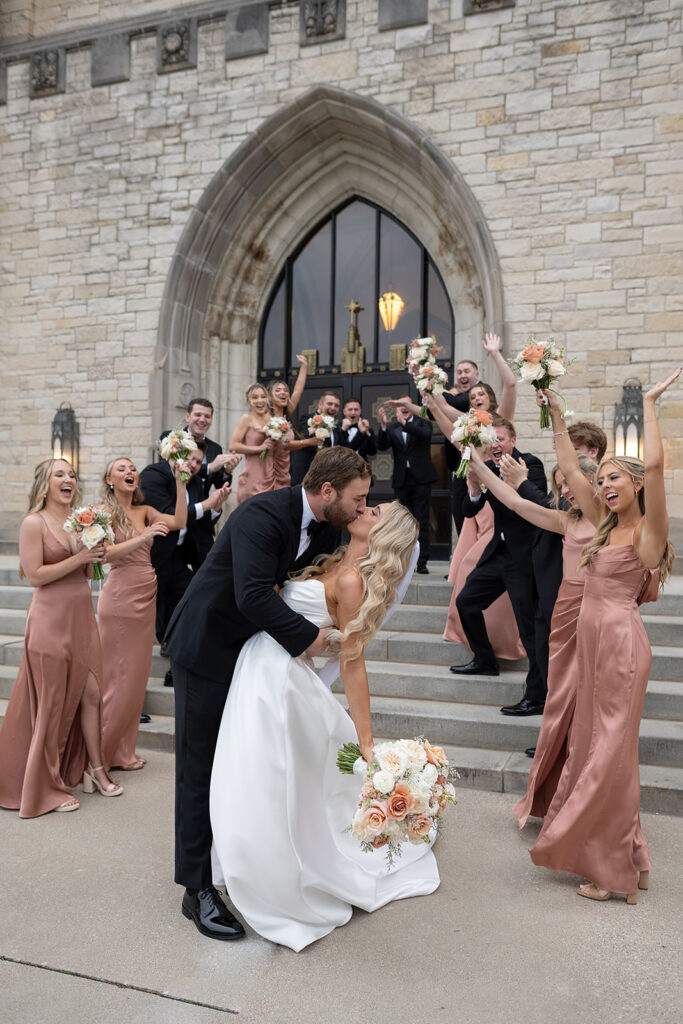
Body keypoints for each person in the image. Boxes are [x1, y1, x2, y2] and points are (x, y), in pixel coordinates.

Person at [209, 500, 439, 951]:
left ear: (383, 534)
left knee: (261, 780)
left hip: (279, 683)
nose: (363, 509)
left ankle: (266, 872)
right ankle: (247, 861)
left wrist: (366, 740)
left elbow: (352, 662)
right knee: (251, 779)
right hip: (258, 667)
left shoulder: (352, 581)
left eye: (374, 511)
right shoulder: (334, 561)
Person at [165, 447, 372, 941]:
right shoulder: (262, 513)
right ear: (327, 492)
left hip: (252, 657)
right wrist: (310, 638)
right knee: (198, 769)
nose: (362, 509)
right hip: (207, 647)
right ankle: (196, 891)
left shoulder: (327, 525)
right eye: (358, 499)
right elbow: (252, 593)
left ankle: (244, 863)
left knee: (238, 771)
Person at [528, 372, 678, 904]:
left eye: (617, 479)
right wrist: (553, 408)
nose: (605, 486)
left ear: (636, 484)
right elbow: (569, 464)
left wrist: (653, 406)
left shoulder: (647, 532)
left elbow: (658, 466)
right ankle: (633, 858)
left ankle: (612, 870)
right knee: (598, 748)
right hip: (591, 645)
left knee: (610, 754)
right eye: (604, 479)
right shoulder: (605, 523)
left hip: (620, 646)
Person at [465, 447, 598, 812]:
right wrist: (479, 465)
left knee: (589, 695)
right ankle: (561, 764)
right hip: (564, 614)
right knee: (559, 687)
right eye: (562, 489)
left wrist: (552, 410)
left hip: (598, 618)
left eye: (572, 486)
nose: (567, 494)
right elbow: (517, 503)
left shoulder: (609, 521)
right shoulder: (566, 520)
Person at [0, 459, 122, 816]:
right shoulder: (33, 523)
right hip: (50, 619)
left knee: (93, 693)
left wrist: (97, 552)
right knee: (52, 702)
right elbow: (36, 575)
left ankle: (94, 770)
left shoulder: (79, 522)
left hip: (81, 616)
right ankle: (46, 786)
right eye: (60, 475)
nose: (68, 479)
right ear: (45, 484)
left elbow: (85, 571)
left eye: (71, 475)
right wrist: (82, 556)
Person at [450, 418, 548, 718]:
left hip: (525, 560)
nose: (496, 445)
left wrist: (504, 478)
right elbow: (469, 510)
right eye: (492, 440)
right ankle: (485, 660)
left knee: (529, 630)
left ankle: (537, 697)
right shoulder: (486, 470)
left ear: (513, 440)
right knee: (466, 602)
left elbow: (532, 503)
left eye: (501, 439)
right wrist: (475, 489)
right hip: (498, 554)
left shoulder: (530, 464)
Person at [98, 455, 188, 771]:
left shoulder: (145, 510)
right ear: (109, 480)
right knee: (116, 678)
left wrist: (180, 483)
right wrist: (144, 536)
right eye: (121, 469)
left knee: (135, 678)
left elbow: (179, 521)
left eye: (132, 468)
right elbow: (104, 555)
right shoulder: (106, 513)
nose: (130, 472)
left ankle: (123, 751)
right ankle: (100, 754)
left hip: (145, 594)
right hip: (119, 598)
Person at [139, 442, 233, 671]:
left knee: (190, 598)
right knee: (161, 605)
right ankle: (168, 648)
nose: (193, 466)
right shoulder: (154, 475)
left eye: (198, 463)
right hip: (156, 554)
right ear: (177, 455)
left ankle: (176, 646)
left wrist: (216, 508)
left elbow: (200, 521)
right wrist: (206, 504)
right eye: (190, 459)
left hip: (182, 555)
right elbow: (170, 517)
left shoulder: (192, 482)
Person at [434, 334, 517, 534]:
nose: (477, 398)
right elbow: (443, 410)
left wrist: (495, 353)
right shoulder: (468, 425)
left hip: (499, 480)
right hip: (472, 485)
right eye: (473, 397)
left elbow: (511, 385)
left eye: (481, 394)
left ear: (490, 397)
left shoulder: (502, 416)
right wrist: (428, 382)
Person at [377, 399, 438, 574]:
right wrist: (383, 426)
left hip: (421, 479)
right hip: (401, 480)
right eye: (400, 405)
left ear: (412, 407)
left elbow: (425, 436)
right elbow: (381, 446)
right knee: (402, 522)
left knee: (421, 521)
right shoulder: (393, 427)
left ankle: (422, 562)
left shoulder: (423, 423)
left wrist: (405, 424)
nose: (403, 407)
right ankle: (403, 561)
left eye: (406, 404)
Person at [265, 354, 310, 488]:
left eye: (285, 390)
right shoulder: (266, 417)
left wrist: (304, 366)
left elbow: (298, 390)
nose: (283, 393)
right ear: (270, 397)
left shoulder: (286, 413)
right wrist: (307, 442)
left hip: (284, 469)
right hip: (268, 468)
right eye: (278, 390)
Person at [230, 383, 278, 504]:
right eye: (255, 397)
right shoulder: (246, 419)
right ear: (248, 401)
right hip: (252, 477)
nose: (260, 400)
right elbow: (233, 445)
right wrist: (259, 448)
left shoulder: (273, 420)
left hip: (271, 475)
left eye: (263, 396)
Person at [289, 391, 347, 485]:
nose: (333, 408)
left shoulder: (336, 427)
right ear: (320, 404)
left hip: (326, 476)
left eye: (336, 406)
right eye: (330, 404)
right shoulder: (307, 419)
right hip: (305, 474)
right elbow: (306, 436)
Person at [341, 397, 377, 464]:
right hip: (343, 469)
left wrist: (367, 433)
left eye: (356, 409)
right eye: (350, 409)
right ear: (344, 412)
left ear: (360, 411)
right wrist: (343, 431)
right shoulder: (337, 428)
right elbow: (345, 453)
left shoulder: (367, 428)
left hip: (362, 469)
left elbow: (372, 452)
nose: (353, 412)